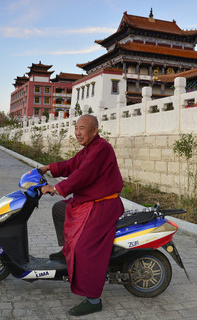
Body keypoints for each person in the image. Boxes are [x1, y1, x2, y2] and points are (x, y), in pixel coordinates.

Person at [40, 114, 124, 317]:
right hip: (89, 201)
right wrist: (47, 168)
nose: (77, 132)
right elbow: (71, 165)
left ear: (94, 130)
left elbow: (83, 174)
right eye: (76, 127)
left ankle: (94, 299)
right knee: (59, 209)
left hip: (103, 205)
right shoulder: (89, 149)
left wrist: (57, 188)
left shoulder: (101, 149)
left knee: (85, 246)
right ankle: (65, 249)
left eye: (82, 128)